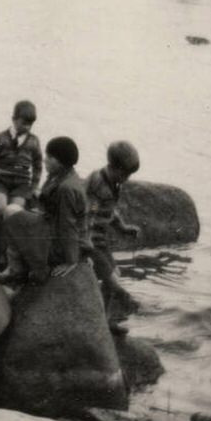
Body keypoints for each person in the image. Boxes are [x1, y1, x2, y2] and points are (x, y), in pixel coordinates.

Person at [0, 136, 90, 285]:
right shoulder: (62, 175)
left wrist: (71, 260)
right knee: (15, 211)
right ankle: (17, 269)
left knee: (10, 212)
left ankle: (16, 270)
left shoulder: (67, 188)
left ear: (61, 161)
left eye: (50, 157)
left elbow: (68, 225)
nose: (45, 160)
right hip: (55, 230)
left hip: (60, 244)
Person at [86, 141, 143, 334]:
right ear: (114, 167)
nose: (127, 179)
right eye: (126, 174)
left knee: (115, 275)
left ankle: (105, 320)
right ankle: (122, 305)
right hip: (90, 243)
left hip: (100, 242)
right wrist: (85, 244)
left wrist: (123, 228)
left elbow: (110, 212)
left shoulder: (114, 184)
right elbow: (91, 211)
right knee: (113, 282)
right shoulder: (98, 183)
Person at [0, 100, 43, 267]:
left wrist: (34, 187)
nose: (27, 127)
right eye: (24, 122)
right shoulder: (1, 138)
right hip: (1, 181)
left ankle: (7, 254)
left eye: (30, 124)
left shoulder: (34, 141)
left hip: (21, 185)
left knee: (13, 213)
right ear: (14, 119)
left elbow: (38, 165)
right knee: (0, 208)